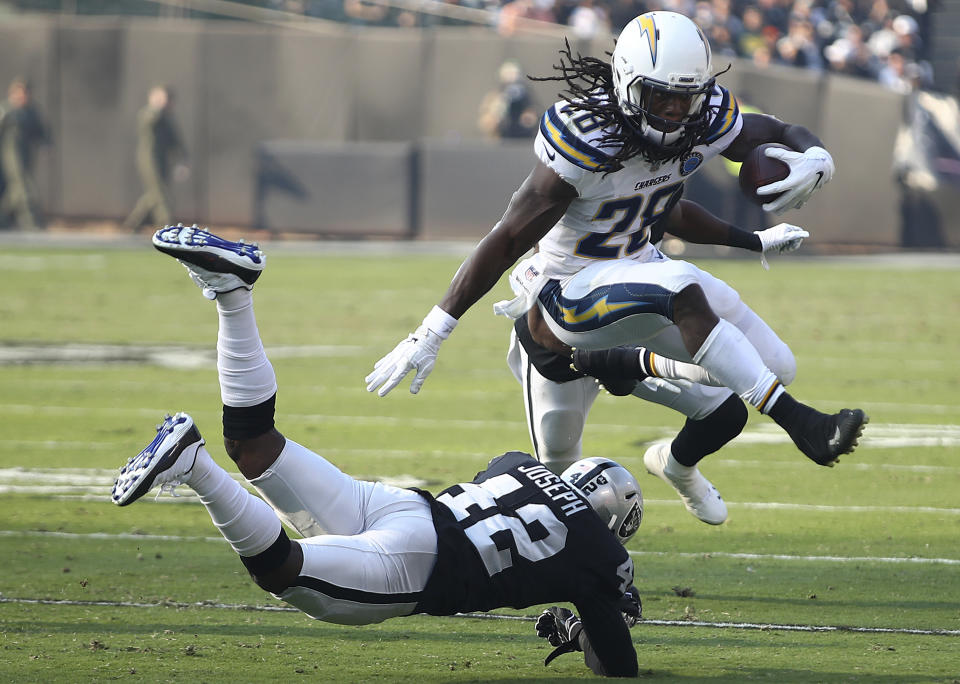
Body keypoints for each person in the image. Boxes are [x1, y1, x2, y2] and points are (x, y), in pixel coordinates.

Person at [112, 225, 644, 677]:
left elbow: (518, 500)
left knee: (255, 448)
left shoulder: (520, 465)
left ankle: (233, 293)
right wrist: (586, 622)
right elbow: (617, 666)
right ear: (613, 521)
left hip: (404, 506)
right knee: (289, 575)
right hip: (421, 564)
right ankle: (194, 466)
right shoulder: (603, 556)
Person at [366, 11, 868, 471]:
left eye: (685, 97)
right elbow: (508, 238)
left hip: (640, 267)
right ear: (628, 85)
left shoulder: (704, 117)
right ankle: (804, 424)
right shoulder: (587, 139)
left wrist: (816, 156)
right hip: (569, 292)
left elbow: (773, 132)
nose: (674, 112)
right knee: (677, 289)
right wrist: (432, 331)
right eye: (660, 96)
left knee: (779, 364)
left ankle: (640, 387)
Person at [508, 197, 809, 525]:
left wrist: (754, 240)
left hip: (632, 327)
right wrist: (624, 364)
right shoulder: (573, 192)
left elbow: (676, 213)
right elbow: (541, 324)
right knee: (557, 469)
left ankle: (677, 466)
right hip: (558, 346)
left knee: (725, 414)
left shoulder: (647, 181)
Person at [123, 85, 188, 232]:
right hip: (149, 159)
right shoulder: (149, 113)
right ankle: (167, 227)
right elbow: (149, 120)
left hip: (163, 160)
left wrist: (183, 160)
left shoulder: (168, 118)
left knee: (153, 193)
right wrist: (158, 106)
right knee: (161, 193)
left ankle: (133, 224)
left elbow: (175, 141)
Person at [0, 77, 50, 231]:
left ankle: (3, 221)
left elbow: (41, 131)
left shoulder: (31, 111)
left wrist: (47, 143)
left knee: (14, 191)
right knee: (23, 186)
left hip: (26, 156)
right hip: (9, 156)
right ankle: (31, 223)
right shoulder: (6, 110)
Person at [477, 60, 540, 140]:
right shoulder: (494, 96)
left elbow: (536, 115)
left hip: (524, 139)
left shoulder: (528, 96)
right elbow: (485, 122)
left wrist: (530, 115)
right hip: (501, 138)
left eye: (513, 75)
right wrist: (495, 115)